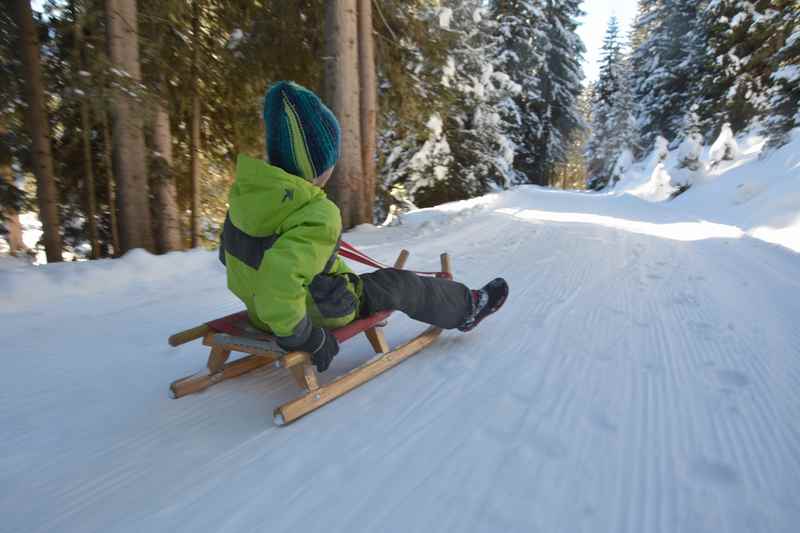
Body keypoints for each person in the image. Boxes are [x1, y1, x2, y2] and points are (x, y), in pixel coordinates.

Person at [219, 81, 508, 373]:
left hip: (261, 313)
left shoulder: (247, 197)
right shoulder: (317, 213)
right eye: (330, 159)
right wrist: (306, 336)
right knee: (398, 283)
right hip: (315, 315)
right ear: (315, 165)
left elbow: (230, 257)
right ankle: (467, 308)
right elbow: (279, 279)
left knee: (335, 274)